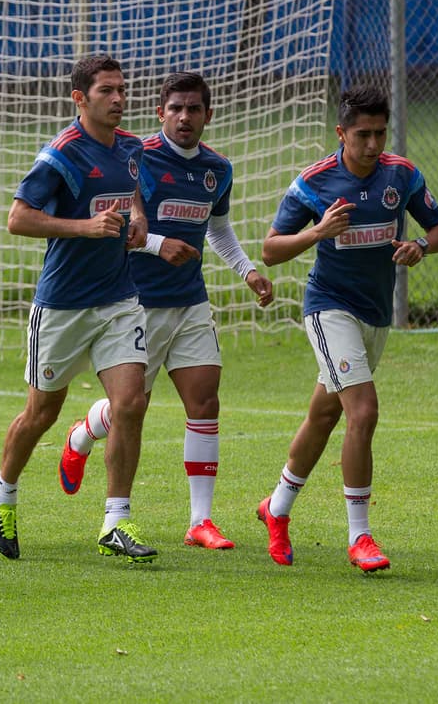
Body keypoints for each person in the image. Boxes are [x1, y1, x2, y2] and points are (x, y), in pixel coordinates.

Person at [57, 71, 274, 550]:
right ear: (160, 113)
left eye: (194, 109)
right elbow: (117, 225)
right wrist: (158, 244)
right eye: (175, 108)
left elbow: (218, 228)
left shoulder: (218, 168)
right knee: (131, 406)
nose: (184, 117)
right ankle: (83, 433)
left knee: (205, 401)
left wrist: (247, 271)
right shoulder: (138, 159)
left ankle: (200, 521)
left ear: (208, 115)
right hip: (137, 302)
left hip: (191, 302)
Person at [255, 85, 438, 572]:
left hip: (374, 315)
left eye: (380, 133)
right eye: (362, 134)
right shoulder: (315, 182)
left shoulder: (401, 175)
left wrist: (421, 247)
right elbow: (270, 250)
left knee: (324, 416)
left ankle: (276, 507)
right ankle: (359, 536)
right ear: (341, 133)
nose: (372, 144)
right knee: (362, 412)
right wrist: (318, 232)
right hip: (328, 309)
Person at [0, 53, 155, 562]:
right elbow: (18, 219)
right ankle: (2, 494)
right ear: (80, 98)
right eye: (107, 91)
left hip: (119, 299)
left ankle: (115, 522)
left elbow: (132, 193)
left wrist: (139, 220)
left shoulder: (131, 147)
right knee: (41, 413)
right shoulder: (61, 154)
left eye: (122, 89)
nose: (119, 99)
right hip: (62, 306)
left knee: (131, 403)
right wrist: (86, 227)